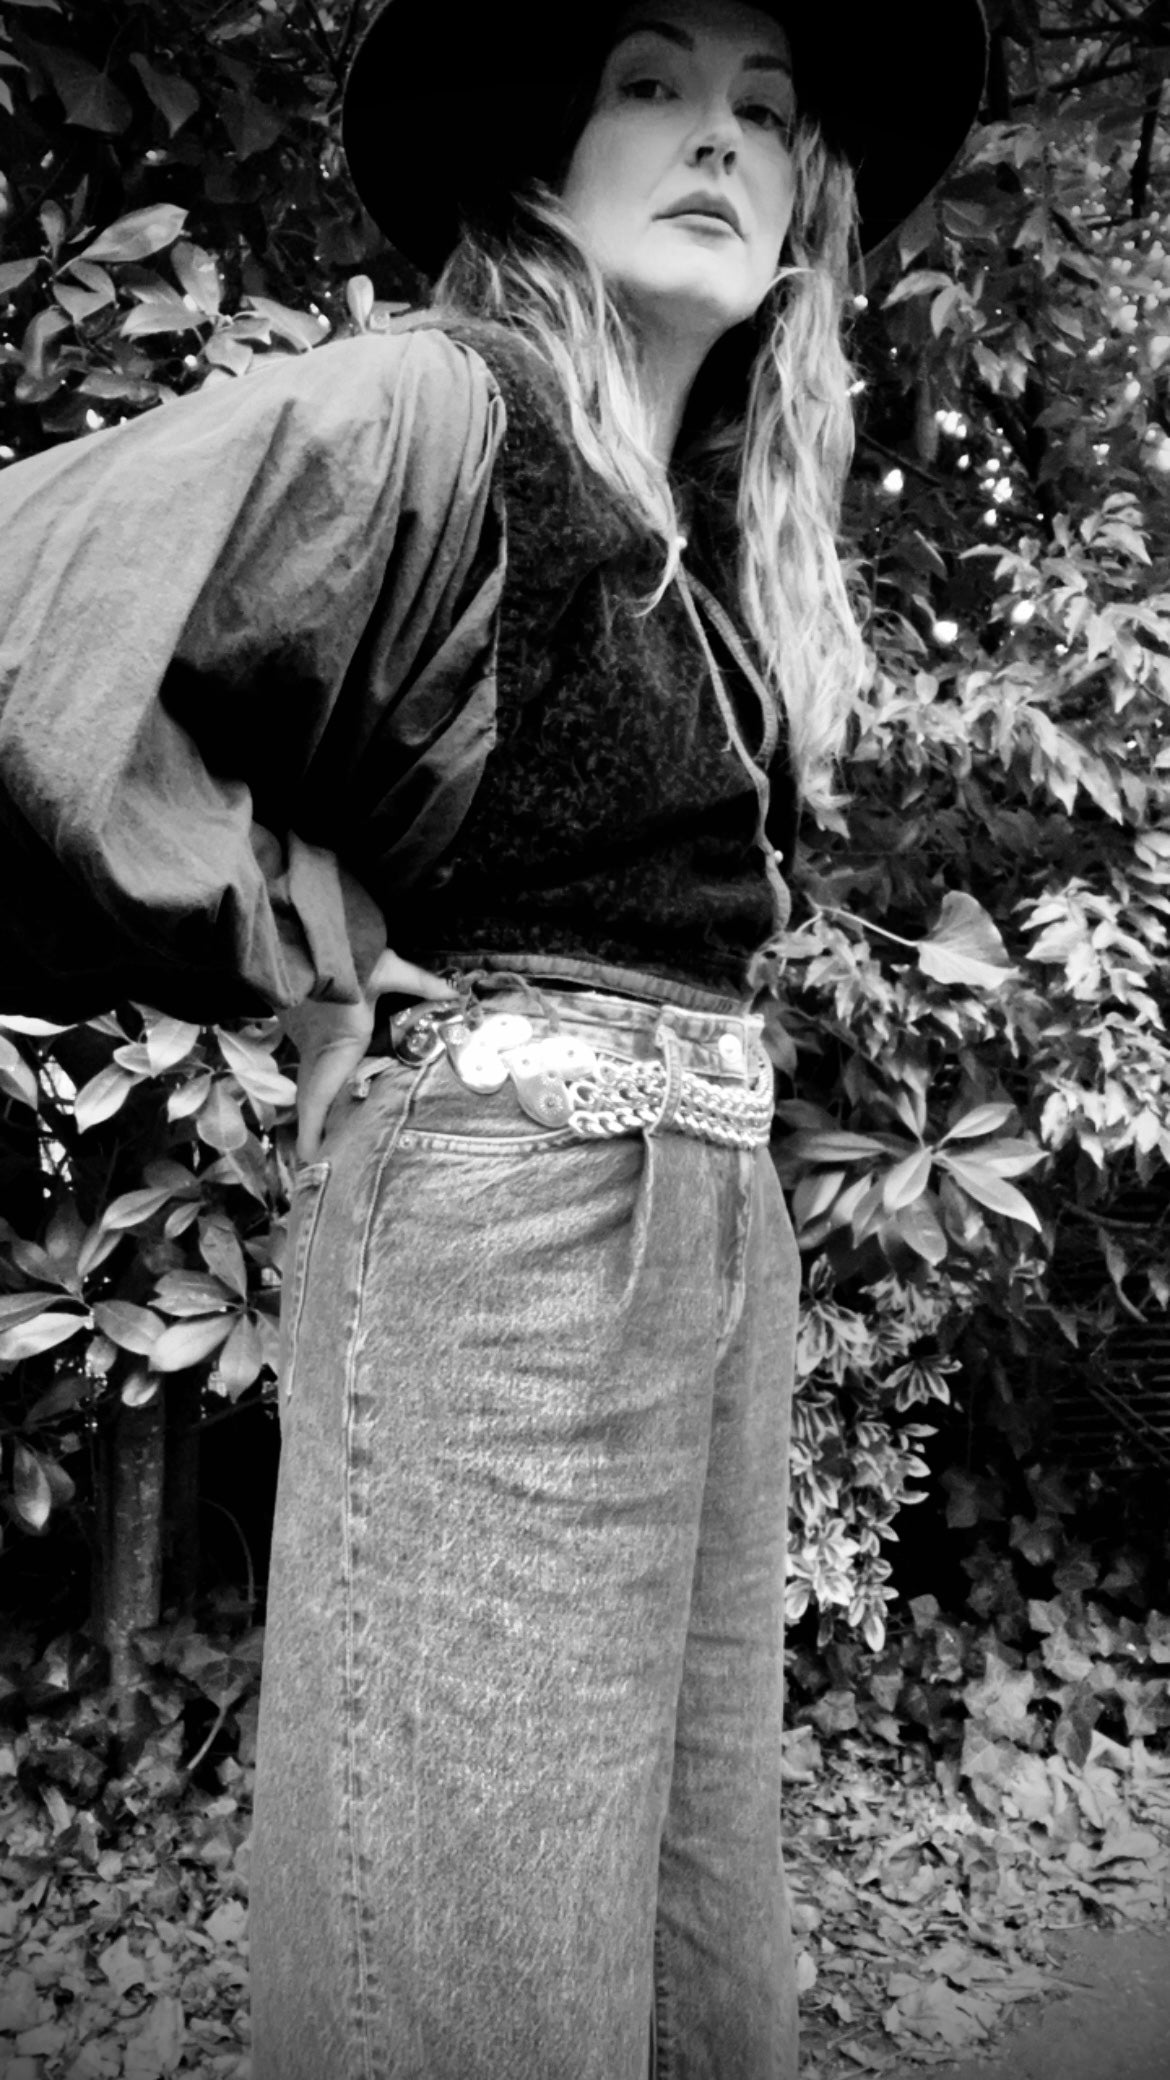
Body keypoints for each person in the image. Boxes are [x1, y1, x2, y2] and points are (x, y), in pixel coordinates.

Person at [0, 1, 988, 2071]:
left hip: (712, 1241)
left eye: (765, 110)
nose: (716, 138)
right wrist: (292, 924)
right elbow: (33, 612)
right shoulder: (443, 405)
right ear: (549, 146)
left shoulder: (705, 547)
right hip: (513, 1224)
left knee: (699, 1982)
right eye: (652, 83)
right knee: (481, 1987)